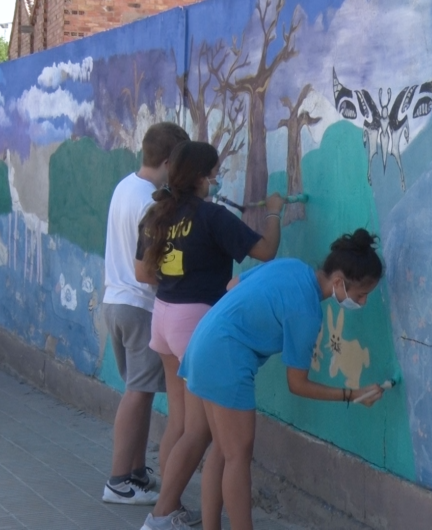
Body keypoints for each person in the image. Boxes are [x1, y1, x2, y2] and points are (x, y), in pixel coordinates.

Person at [147, 229, 387, 530]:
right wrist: (352, 395)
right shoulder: (307, 312)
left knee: (222, 451)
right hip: (225, 359)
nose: (362, 303)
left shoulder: (292, 267)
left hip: (203, 341)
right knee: (237, 455)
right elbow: (297, 384)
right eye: (361, 294)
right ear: (339, 282)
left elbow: (233, 284)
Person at [136, 141, 283, 530]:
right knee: (199, 432)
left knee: (181, 425)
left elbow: (144, 272)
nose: (219, 178)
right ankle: (162, 514)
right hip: (197, 323)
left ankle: (170, 509)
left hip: (164, 317)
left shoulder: (157, 213)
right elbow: (266, 251)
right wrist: (273, 211)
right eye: (216, 171)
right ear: (202, 176)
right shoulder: (211, 216)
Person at [101, 122, 189, 506]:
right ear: (169, 162)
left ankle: (136, 474)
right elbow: (151, 266)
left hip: (116, 302)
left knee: (140, 391)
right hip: (139, 305)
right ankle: (118, 481)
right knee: (137, 393)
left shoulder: (125, 186)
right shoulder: (152, 201)